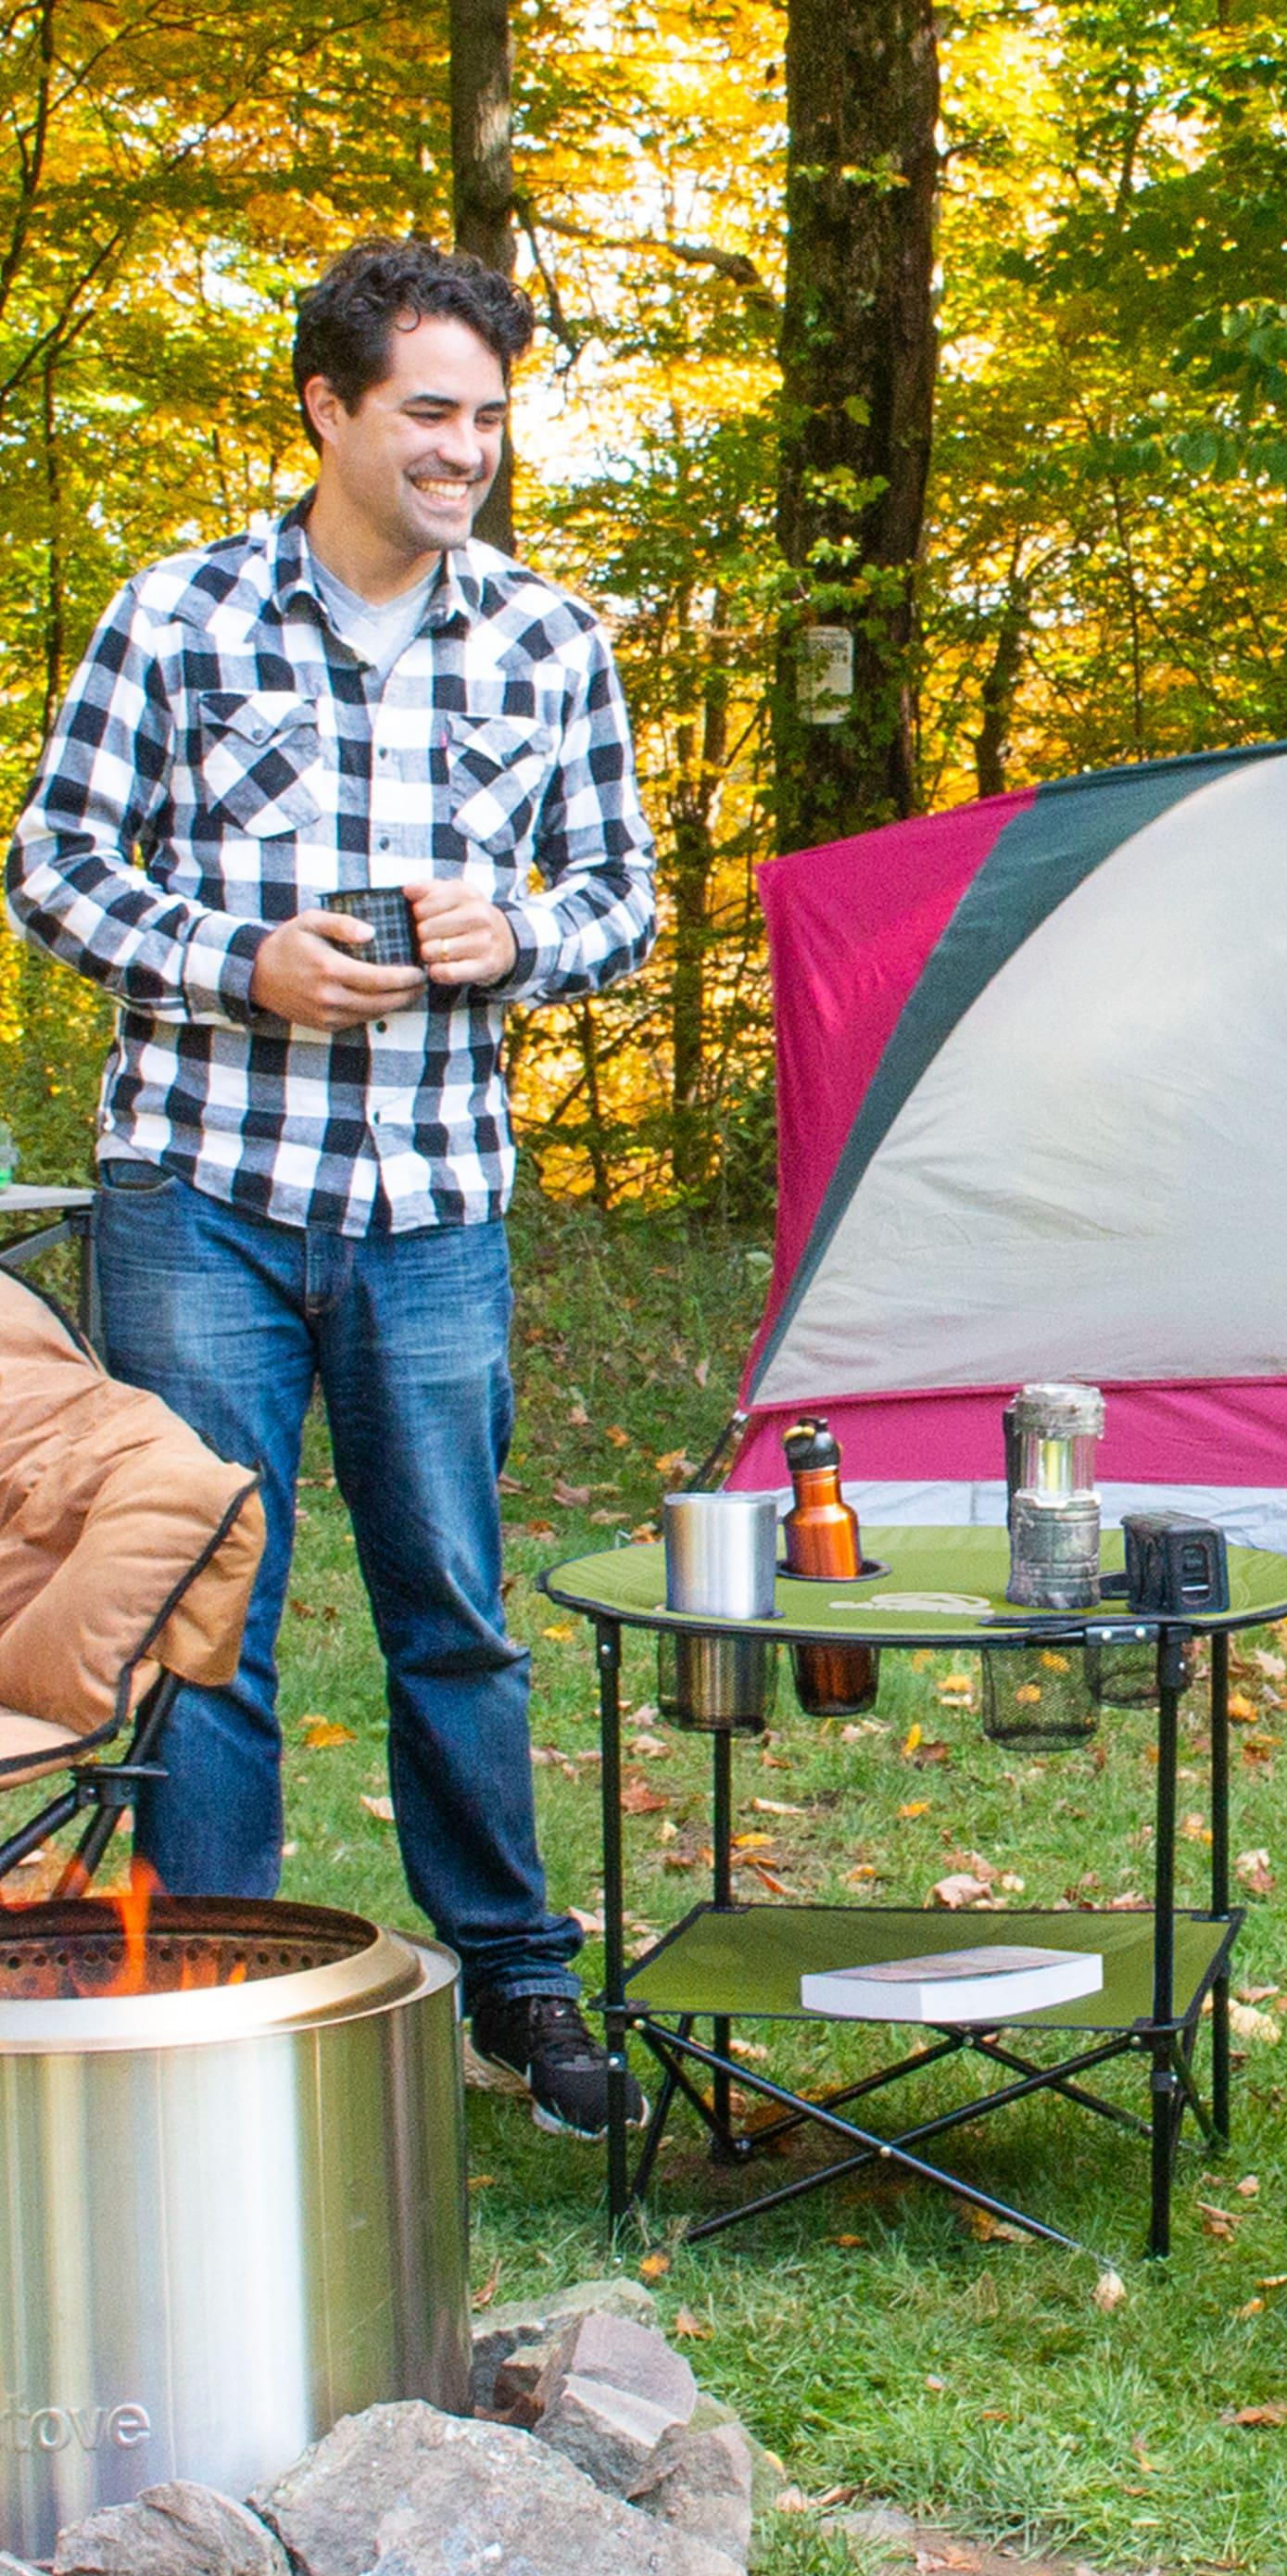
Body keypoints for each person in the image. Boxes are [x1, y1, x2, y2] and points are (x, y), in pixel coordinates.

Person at [5, 239, 656, 2136]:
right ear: (330, 406)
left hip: (435, 1199)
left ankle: (516, 1989)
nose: (465, 452)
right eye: (430, 414)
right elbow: (52, 868)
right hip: (203, 1185)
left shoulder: (548, 642)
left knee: (451, 1600)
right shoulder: (180, 616)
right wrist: (236, 960)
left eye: (489, 420)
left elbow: (617, 902)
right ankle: (213, 1989)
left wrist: (508, 934)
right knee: (209, 1598)